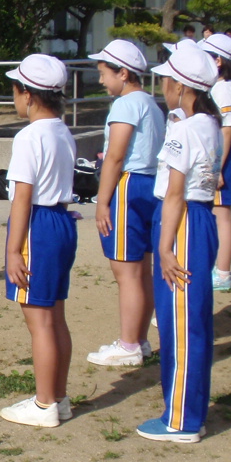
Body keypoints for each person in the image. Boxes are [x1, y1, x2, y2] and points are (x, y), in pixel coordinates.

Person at [142, 43, 221, 442]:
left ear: (181, 86)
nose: (163, 87)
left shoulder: (185, 129)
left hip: (183, 222)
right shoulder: (208, 123)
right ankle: (188, 410)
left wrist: (164, 247)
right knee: (190, 319)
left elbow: (175, 192)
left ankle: (182, 418)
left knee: (182, 323)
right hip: (198, 218)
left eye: (167, 81)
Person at [0, 55, 77, 429]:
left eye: (15, 90)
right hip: (61, 220)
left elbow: (22, 198)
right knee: (55, 316)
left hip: (39, 226)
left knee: (39, 322)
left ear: (28, 95)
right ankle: (58, 397)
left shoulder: (29, 136)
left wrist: (13, 250)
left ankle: (44, 404)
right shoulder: (63, 131)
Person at [87, 39, 163, 367]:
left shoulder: (125, 104)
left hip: (128, 186)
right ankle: (139, 339)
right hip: (150, 185)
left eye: (104, 73)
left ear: (123, 73)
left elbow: (115, 156)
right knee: (141, 269)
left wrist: (102, 202)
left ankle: (129, 343)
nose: (101, 80)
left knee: (126, 271)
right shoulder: (151, 103)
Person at [201, 34, 231, 291]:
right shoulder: (218, 88)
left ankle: (223, 272)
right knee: (218, 213)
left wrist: (218, 169)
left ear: (218, 61)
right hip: (220, 154)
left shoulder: (224, 89)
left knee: (222, 214)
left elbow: (226, 131)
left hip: (225, 156)